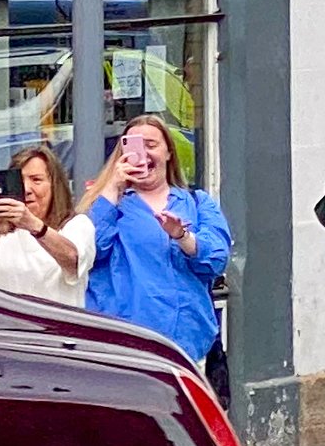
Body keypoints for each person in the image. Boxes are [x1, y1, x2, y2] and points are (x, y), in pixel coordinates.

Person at [82, 114, 231, 378]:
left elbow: (216, 259)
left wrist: (183, 237)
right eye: (134, 146)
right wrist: (112, 187)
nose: (143, 154)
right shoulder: (110, 205)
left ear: (169, 153)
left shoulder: (197, 202)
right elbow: (90, 251)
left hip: (187, 345)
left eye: (151, 145)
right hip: (127, 347)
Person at [0, 144, 95, 306]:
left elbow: (73, 261)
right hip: (2, 320)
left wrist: (33, 225)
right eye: (19, 181)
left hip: (52, 321)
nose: (27, 189)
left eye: (36, 180)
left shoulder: (77, 225)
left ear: (54, 186)